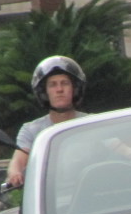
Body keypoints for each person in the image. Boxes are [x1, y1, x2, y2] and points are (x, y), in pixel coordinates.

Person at [6, 56, 87, 188]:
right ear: (44, 93)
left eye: (65, 83)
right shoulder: (31, 130)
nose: (59, 89)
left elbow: (119, 147)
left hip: (92, 191)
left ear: (75, 89)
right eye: (52, 85)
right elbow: (18, 160)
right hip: (47, 197)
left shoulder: (90, 123)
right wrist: (15, 173)